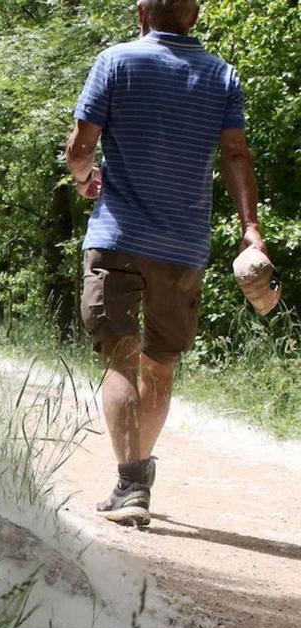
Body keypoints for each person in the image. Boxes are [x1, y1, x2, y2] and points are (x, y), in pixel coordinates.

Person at [64, 0, 267, 527]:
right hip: (183, 247)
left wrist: (85, 180)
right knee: (160, 363)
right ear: (194, 18)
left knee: (119, 357)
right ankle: (137, 475)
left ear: (141, 14)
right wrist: (252, 231)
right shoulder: (221, 75)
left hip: (117, 237)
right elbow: (236, 154)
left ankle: (131, 483)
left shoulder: (116, 62)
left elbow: (81, 145)